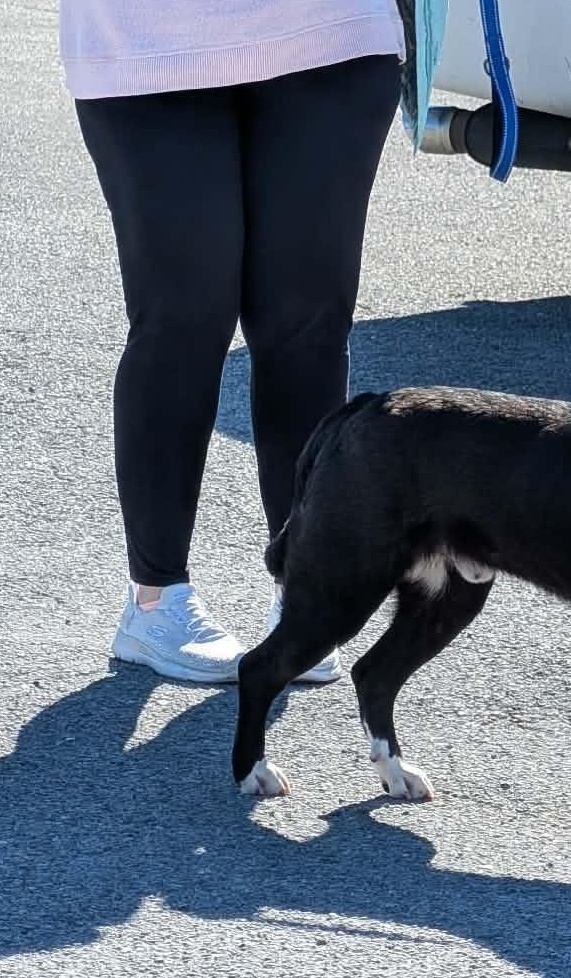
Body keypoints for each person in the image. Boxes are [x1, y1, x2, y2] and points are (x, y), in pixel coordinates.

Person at [60, 2, 405, 683]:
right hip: (145, 44)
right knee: (182, 317)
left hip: (331, 36)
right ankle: (155, 603)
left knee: (307, 326)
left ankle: (305, 596)